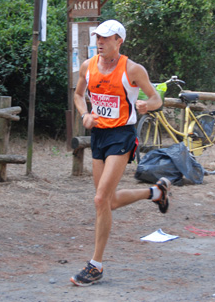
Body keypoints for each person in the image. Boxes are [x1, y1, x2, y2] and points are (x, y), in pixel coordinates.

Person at [70, 19, 171, 287]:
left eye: (106, 38)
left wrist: (147, 105)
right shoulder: (87, 67)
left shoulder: (133, 69)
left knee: (100, 198)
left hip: (122, 136)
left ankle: (95, 265)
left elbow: (156, 99)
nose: (99, 42)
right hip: (100, 136)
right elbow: (78, 96)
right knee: (108, 202)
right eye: (98, 38)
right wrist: (85, 114)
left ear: (119, 41)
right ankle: (156, 192)